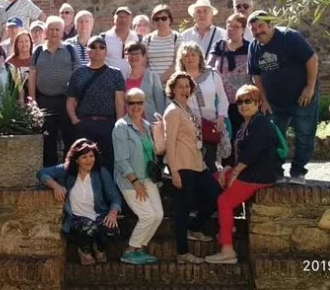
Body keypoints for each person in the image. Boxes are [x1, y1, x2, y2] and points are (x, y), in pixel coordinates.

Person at [205, 85, 277, 264]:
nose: (243, 105)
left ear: (258, 103)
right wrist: (227, 169)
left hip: (257, 176)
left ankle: (227, 250)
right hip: (248, 172)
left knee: (225, 201)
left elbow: (254, 150)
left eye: (248, 101)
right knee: (213, 179)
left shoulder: (260, 123)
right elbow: (238, 154)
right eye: (239, 102)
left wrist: (235, 172)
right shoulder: (245, 125)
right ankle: (228, 226)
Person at [247, 10, 319, 185]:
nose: (257, 31)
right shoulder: (254, 47)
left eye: (261, 26)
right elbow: (256, 75)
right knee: (274, 137)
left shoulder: (289, 37)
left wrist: (309, 87)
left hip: (302, 97)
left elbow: (312, 59)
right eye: (253, 29)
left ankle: (298, 172)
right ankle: (276, 172)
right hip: (274, 102)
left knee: (304, 135)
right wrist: (264, 99)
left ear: (271, 25)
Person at [163, 72, 221, 264]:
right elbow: (169, 143)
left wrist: (203, 163)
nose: (184, 89)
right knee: (183, 209)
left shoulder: (188, 109)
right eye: (180, 86)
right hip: (182, 167)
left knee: (216, 196)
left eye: (187, 86)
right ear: (173, 89)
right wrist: (174, 172)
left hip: (197, 165)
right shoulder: (173, 111)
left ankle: (194, 228)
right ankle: (182, 252)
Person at [37, 138, 122, 265]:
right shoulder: (66, 171)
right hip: (76, 219)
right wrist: (55, 186)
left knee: (111, 231)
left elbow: (115, 197)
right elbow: (41, 173)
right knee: (89, 228)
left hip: (98, 215)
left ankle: (99, 248)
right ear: (76, 160)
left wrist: (113, 212)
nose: (89, 160)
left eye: (91, 156)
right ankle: (84, 251)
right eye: (84, 157)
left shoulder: (101, 172)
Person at [112, 88, 163, 265]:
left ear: (144, 104)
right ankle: (130, 251)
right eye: (131, 103)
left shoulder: (147, 126)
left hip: (148, 177)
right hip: (130, 181)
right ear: (126, 105)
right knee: (147, 215)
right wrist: (135, 182)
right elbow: (121, 160)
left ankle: (139, 248)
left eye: (139, 102)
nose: (135, 106)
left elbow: (156, 151)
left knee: (158, 215)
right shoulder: (121, 127)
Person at [66, 36, 125, 175]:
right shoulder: (78, 73)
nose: (97, 50)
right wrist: (75, 120)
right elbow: (70, 101)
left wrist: (118, 125)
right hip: (85, 124)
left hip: (108, 125)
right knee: (84, 164)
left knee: (107, 163)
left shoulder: (115, 74)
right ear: (87, 51)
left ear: (106, 51)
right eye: (93, 47)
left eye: (101, 47)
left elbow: (119, 102)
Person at [29, 16, 80, 166]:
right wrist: (33, 101)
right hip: (44, 101)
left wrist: (76, 100)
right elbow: (32, 77)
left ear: (62, 32)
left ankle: (69, 170)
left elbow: (78, 76)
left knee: (69, 138)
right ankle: (49, 171)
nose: (54, 32)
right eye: (51, 29)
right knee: (47, 139)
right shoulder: (38, 51)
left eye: (57, 29)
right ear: (45, 31)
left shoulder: (70, 50)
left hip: (66, 101)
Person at [176, 41, 229, 172]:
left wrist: (221, 118)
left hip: (211, 126)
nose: (190, 58)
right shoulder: (177, 79)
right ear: (182, 59)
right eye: (186, 55)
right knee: (192, 167)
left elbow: (223, 99)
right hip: (188, 130)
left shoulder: (212, 75)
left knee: (210, 165)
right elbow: (174, 105)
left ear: (200, 57)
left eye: (193, 55)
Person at [207, 13, 250, 141]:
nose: (231, 29)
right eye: (229, 26)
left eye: (236, 26)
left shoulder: (250, 48)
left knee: (242, 135)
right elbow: (207, 68)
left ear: (243, 29)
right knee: (224, 137)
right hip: (222, 101)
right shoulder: (219, 46)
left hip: (243, 101)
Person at [124, 43, 166, 120]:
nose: (134, 56)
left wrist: (161, 122)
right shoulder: (123, 77)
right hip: (129, 123)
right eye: (130, 54)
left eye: (137, 53)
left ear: (143, 56)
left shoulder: (152, 77)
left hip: (150, 123)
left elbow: (160, 104)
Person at [144, 4, 182, 84]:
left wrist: (160, 80)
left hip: (172, 84)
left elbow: (178, 62)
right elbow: (143, 63)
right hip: (151, 84)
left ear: (170, 20)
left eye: (164, 18)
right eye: (156, 19)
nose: (160, 21)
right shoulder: (147, 39)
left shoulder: (177, 38)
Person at [101, 6, 137, 78]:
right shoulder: (104, 37)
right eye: (120, 17)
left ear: (131, 20)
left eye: (126, 17)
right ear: (114, 19)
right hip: (110, 80)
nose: (122, 20)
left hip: (132, 80)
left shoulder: (137, 38)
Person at [6, 30, 33, 97]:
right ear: (16, 44)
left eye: (26, 41)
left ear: (31, 43)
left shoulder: (36, 59)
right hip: (14, 98)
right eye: (21, 42)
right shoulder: (10, 61)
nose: (24, 44)